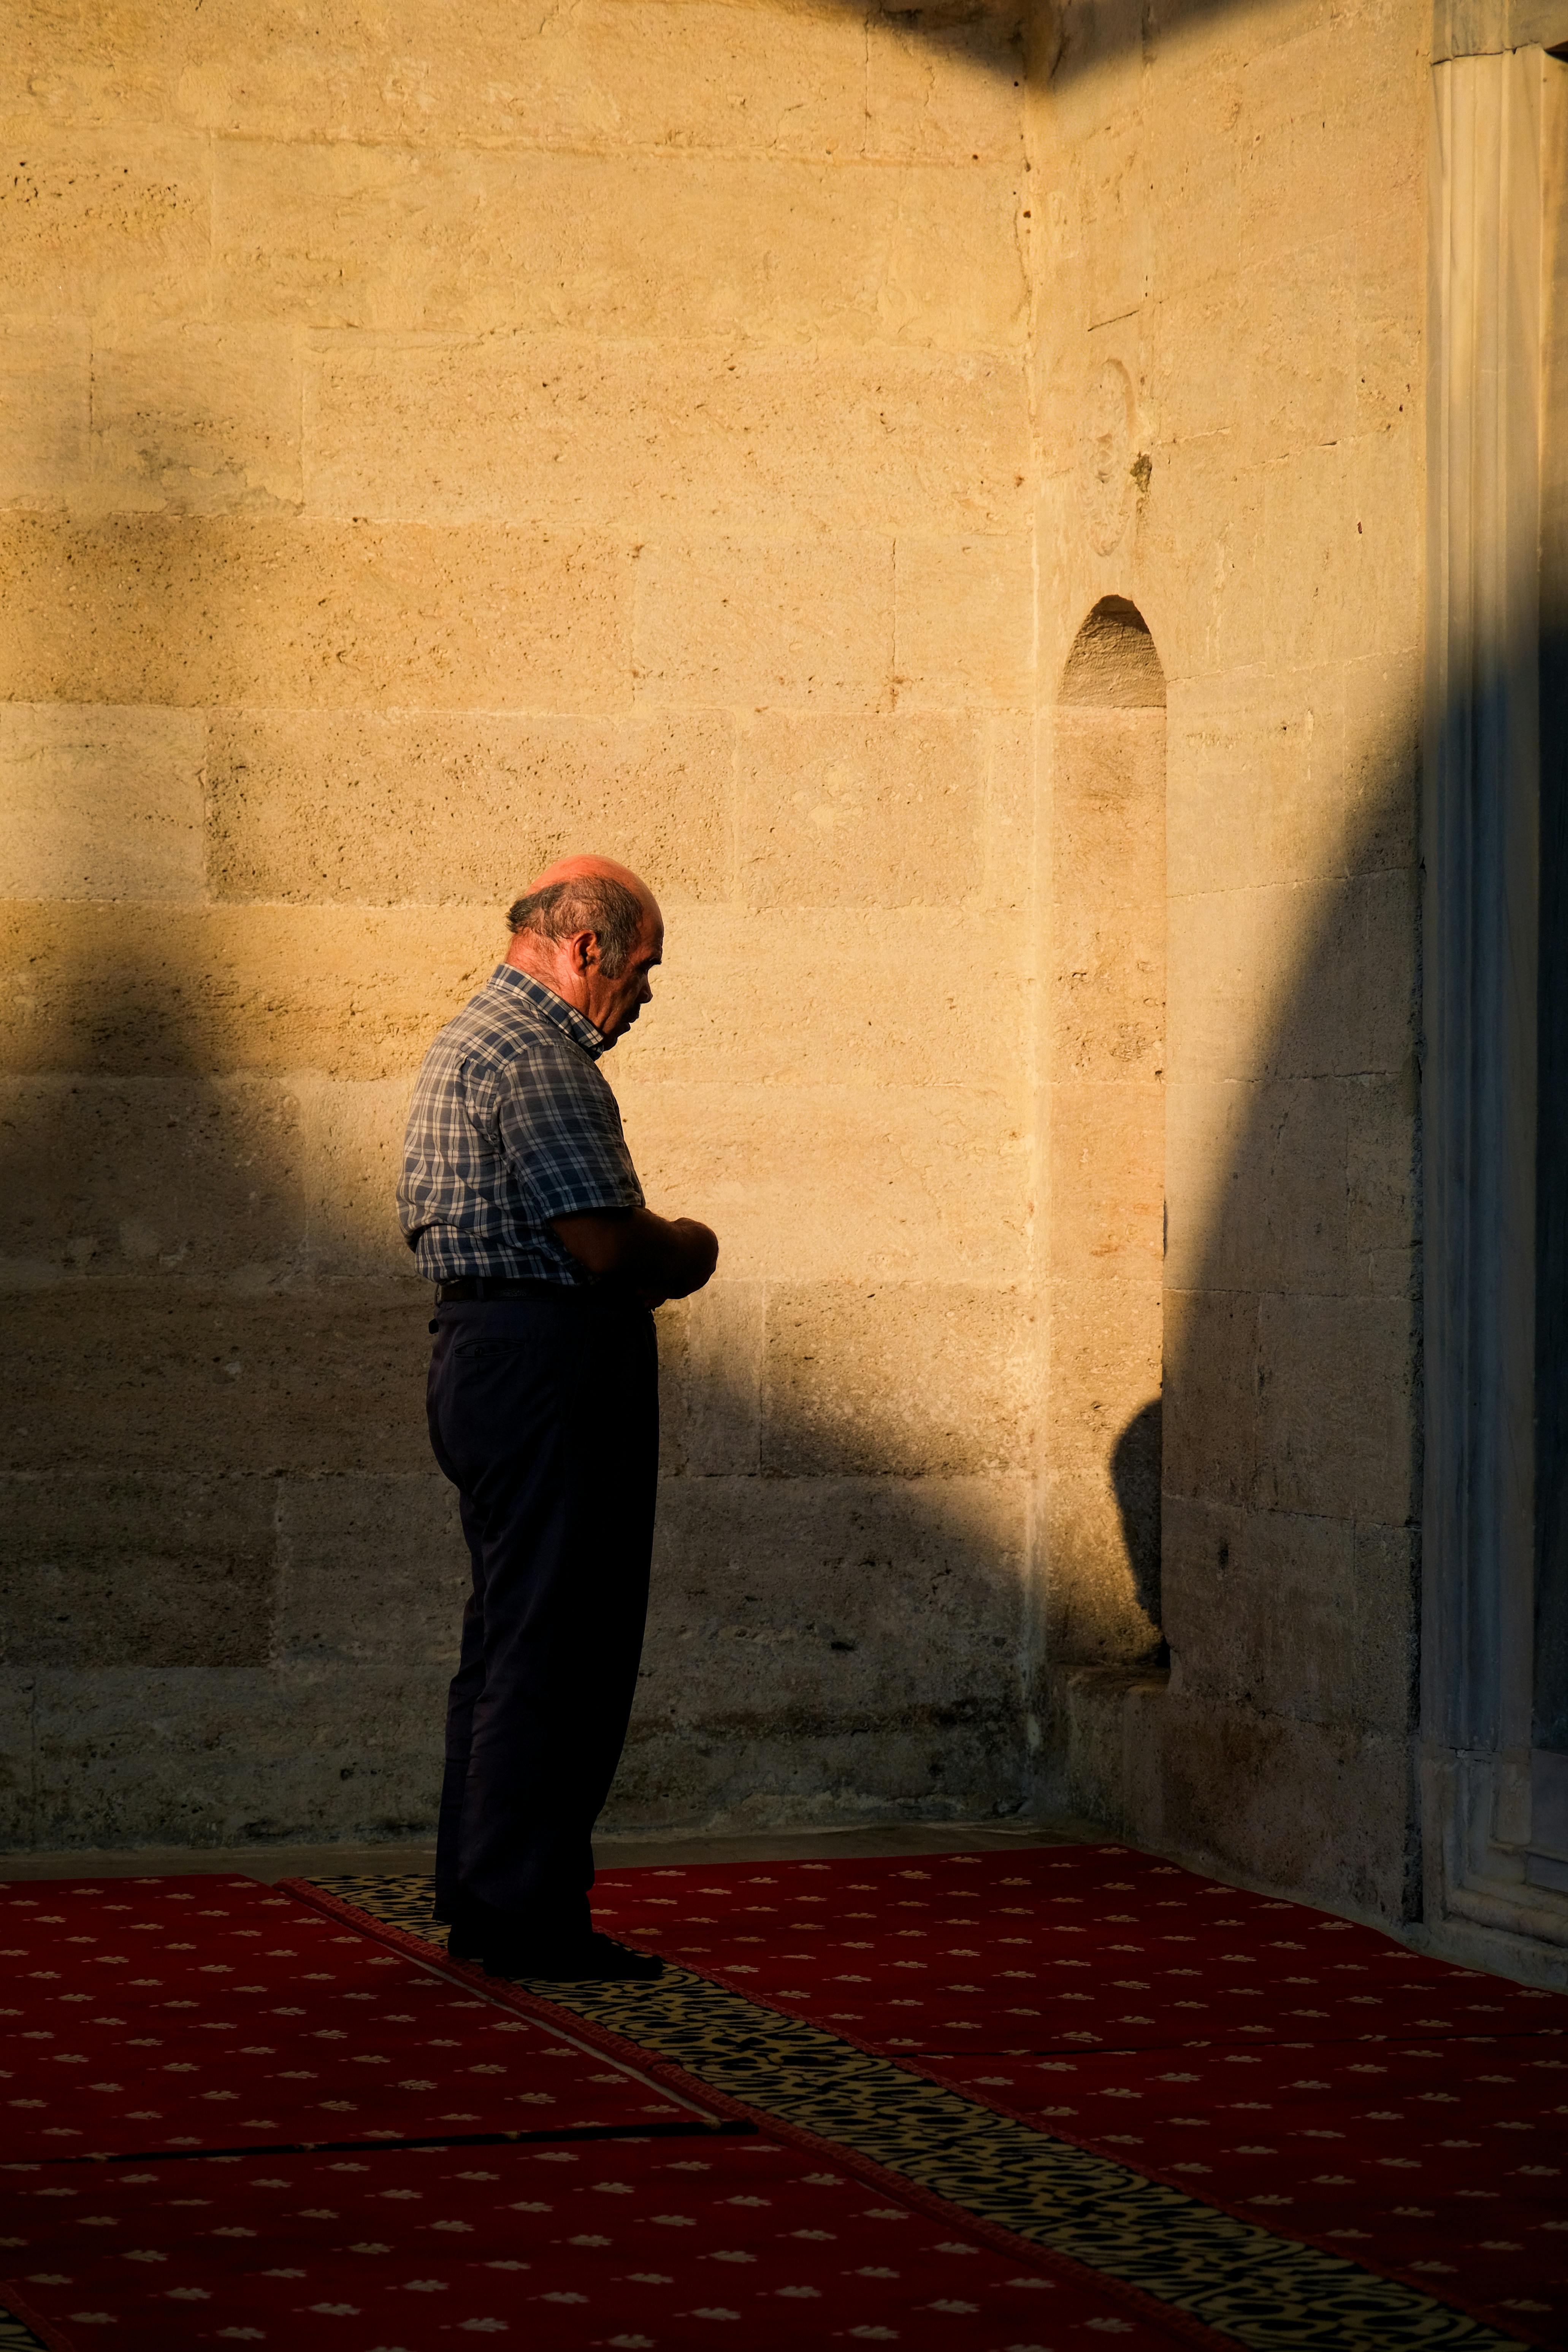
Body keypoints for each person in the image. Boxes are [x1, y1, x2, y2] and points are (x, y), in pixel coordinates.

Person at [397, 854, 719, 1979]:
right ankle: (523, 1911)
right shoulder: (543, 1057)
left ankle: (487, 1889)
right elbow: (603, 1242)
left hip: (487, 1355)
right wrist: (690, 1246)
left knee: (511, 1636)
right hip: (545, 1362)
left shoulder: (471, 1037)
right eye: (642, 968)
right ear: (588, 950)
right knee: (559, 1644)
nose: (645, 995)